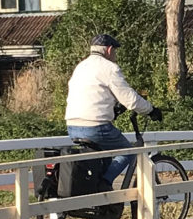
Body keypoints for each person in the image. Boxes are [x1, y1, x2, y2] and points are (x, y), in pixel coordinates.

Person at [65, 33, 161, 188]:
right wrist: (151, 110)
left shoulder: (81, 66)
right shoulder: (109, 68)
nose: (115, 55)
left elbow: (94, 94)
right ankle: (104, 184)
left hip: (72, 126)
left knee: (104, 159)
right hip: (95, 127)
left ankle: (100, 196)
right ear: (109, 50)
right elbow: (130, 98)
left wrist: (113, 109)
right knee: (128, 152)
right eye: (115, 51)